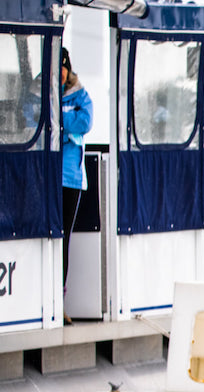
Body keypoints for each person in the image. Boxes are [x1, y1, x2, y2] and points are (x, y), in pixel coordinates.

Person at [60, 47, 93, 323]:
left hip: (70, 177)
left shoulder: (80, 94)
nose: (59, 73)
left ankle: (61, 301)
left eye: (63, 67)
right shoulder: (39, 91)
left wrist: (60, 122)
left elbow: (85, 121)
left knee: (63, 239)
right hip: (44, 175)